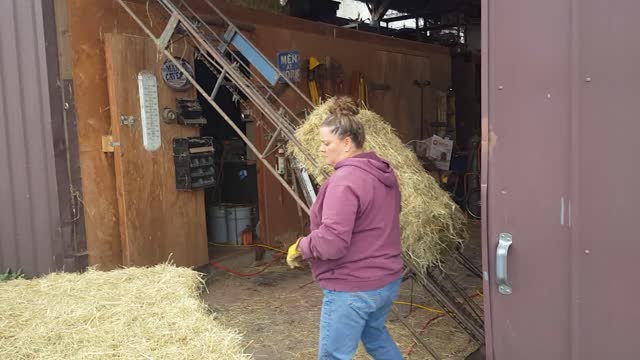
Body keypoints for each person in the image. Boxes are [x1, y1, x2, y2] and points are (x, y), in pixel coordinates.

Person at [287, 97, 404, 360]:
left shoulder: (345, 181)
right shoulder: (383, 173)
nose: (321, 149)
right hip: (387, 279)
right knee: (375, 335)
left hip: (354, 286)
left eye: (326, 143)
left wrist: (302, 246)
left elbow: (332, 242)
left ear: (347, 143)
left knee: (334, 356)